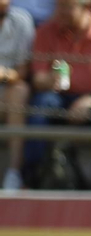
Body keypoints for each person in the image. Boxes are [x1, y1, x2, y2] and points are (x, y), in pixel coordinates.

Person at [24, 0, 91, 191]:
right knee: (41, 104)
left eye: (66, 7)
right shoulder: (45, 31)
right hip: (56, 99)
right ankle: (30, 180)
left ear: (86, 7)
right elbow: (37, 80)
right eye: (58, 6)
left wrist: (89, 100)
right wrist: (50, 79)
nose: (59, 12)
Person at [0, 0, 33, 192]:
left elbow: (23, 73)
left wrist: (3, 73)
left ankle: (13, 173)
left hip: (7, 91)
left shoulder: (21, 21)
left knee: (20, 91)